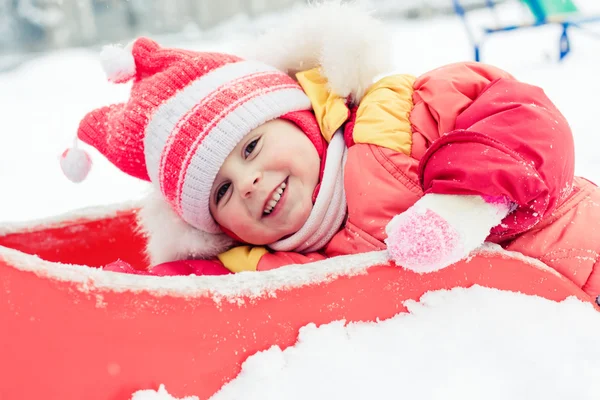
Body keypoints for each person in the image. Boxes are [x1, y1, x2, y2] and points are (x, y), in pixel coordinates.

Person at [62, 2, 600, 299]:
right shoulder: (272, 264)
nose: (247, 181)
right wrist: (114, 296)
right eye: (221, 190)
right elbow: (188, 302)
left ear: (305, 122)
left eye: (251, 146)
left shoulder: (398, 117)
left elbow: (526, 121)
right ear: (218, 227)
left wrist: (463, 204)